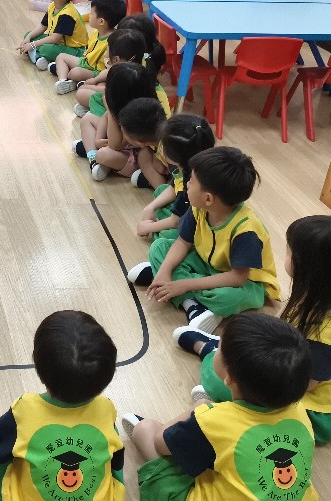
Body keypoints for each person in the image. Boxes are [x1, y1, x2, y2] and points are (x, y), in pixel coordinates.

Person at [122, 312, 319, 501]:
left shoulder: (213, 421)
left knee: (145, 431)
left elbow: (160, 442)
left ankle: (174, 436)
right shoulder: (299, 412)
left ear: (229, 378)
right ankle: (191, 435)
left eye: (218, 348)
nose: (215, 349)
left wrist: (198, 410)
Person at [174, 215, 331, 444]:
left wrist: (249, 375)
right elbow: (279, 325)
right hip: (290, 369)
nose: (285, 255)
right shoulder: (327, 293)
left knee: (218, 377)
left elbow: (299, 386)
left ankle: (209, 350)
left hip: (316, 413)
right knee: (231, 364)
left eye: (289, 252)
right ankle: (216, 350)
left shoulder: (325, 335)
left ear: (309, 268)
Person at [0, 310, 125, 501]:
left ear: (37, 365)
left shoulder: (24, 408)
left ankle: (3, 495)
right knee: (113, 446)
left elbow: (0, 434)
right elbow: (116, 461)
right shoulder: (106, 409)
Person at [127, 147, 281, 333]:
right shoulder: (199, 207)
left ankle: (186, 297)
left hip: (245, 281)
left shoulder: (246, 230)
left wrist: (184, 284)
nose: (187, 184)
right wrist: (165, 271)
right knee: (160, 247)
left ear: (208, 198)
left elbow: (237, 277)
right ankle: (175, 287)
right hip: (206, 261)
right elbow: (183, 242)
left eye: (191, 181)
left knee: (229, 297)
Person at [137, 114, 216, 242]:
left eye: (163, 146)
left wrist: (148, 227)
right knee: (162, 190)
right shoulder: (188, 166)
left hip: (200, 225)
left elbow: (176, 221)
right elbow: (174, 186)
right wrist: (150, 208)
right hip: (186, 210)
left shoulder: (192, 182)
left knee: (166, 238)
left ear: (174, 156)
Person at [74, 62, 157, 182]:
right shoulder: (126, 106)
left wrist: (110, 108)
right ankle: (93, 158)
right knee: (87, 119)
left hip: (133, 156)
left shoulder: (137, 116)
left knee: (103, 154)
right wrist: (98, 140)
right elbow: (105, 118)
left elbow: (115, 145)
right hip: (115, 141)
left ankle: (96, 156)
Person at [52, 0, 125, 95]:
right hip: (85, 63)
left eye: (91, 13)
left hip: (97, 72)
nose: (89, 15)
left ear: (101, 21)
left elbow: (110, 67)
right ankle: (63, 80)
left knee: (74, 72)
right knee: (61, 57)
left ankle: (73, 78)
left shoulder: (113, 41)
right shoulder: (96, 32)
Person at [18, 0, 89, 68]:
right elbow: (43, 26)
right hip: (58, 43)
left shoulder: (67, 15)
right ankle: (37, 56)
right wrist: (29, 38)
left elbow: (55, 38)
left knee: (46, 50)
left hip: (73, 50)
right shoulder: (53, 6)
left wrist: (33, 45)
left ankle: (37, 56)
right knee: (29, 35)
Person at [117, 96, 170, 190]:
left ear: (140, 142)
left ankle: (163, 191)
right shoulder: (161, 132)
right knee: (143, 155)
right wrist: (157, 159)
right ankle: (160, 187)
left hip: (185, 181)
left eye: (124, 133)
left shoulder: (171, 153)